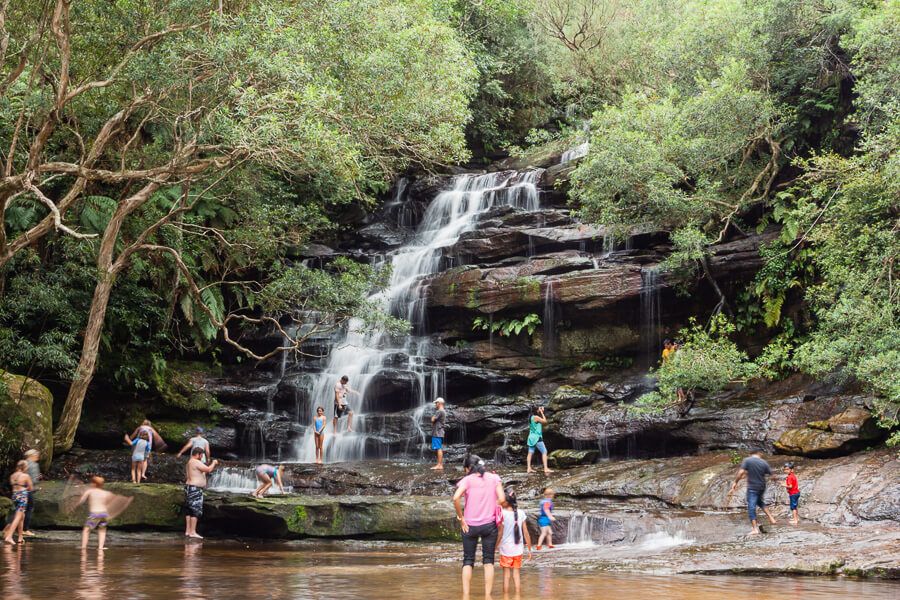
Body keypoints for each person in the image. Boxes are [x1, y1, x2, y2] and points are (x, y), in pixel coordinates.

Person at [452, 454, 505, 598]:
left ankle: (466, 595)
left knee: (468, 560)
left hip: (469, 525)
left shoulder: (467, 480)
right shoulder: (494, 478)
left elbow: (456, 497)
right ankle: (488, 596)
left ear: (468, 468)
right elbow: (502, 498)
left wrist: (461, 518)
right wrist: (492, 506)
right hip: (489, 524)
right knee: (488, 560)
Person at [727, 450, 777, 535]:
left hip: (752, 487)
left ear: (751, 454)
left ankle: (755, 529)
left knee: (751, 507)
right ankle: (771, 518)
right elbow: (772, 475)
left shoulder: (748, 460)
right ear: (759, 454)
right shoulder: (763, 462)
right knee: (759, 502)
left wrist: (735, 482)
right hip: (762, 487)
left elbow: (741, 472)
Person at [497, 486, 531, 594]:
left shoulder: (502, 513)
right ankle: (517, 596)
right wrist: (529, 549)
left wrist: (495, 546)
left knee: (506, 576)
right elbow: (526, 532)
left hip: (506, 548)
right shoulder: (521, 513)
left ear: (505, 501)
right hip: (518, 549)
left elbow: (500, 533)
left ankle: (505, 597)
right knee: (516, 575)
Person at [184, 447, 219, 539]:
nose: (201, 457)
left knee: (189, 510)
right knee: (195, 509)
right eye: (201, 455)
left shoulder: (189, 462)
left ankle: (188, 531)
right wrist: (214, 463)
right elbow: (208, 469)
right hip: (195, 488)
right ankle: (192, 532)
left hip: (189, 487)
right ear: (198, 454)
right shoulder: (195, 462)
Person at [76, 476, 115, 549]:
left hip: (94, 514)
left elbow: (81, 501)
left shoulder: (90, 491)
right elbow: (111, 501)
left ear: (93, 484)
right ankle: (100, 547)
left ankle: (83, 547)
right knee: (102, 531)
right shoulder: (106, 493)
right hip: (103, 514)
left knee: (86, 530)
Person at [3, 461, 32, 545]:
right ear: (24, 467)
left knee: (22, 516)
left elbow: (13, 486)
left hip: (14, 496)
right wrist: (26, 488)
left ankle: (20, 537)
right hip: (23, 497)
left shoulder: (12, 476)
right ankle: (9, 536)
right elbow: (30, 487)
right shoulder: (26, 476)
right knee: (18, 517)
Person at [526, 406, 552, 475]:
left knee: (530, 452)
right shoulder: (536, 417)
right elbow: (545, 421)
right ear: (537, 411)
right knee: (544, 451)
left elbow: (538, 421)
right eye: (538, 409)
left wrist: (540, 412)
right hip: (537, 437)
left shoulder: (531, 417)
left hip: (531, 437)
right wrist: (542, 413)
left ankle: (529, 468)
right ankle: (546, 468)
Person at [21, 449, 40, 537]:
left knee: (20, 510)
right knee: (29, 509)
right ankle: (25, 529)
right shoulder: (34, 465)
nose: (38, 457)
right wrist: (36, 488)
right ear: (32, 455)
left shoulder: (22, 463)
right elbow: (33, 480)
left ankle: (16, 529)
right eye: (36, 455)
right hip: (28, 490)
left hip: (19, 490)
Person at [430, 397, 446, 471]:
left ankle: (439, 465)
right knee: (438, 448)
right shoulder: (442, 411)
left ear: (439, 403)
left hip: (437, 432)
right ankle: (439, 464)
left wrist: (432, 418)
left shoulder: (439, 411)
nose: (435, 404)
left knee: (438, 448)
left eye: (436, 403)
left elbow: (433, 419)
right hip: (438, 431)